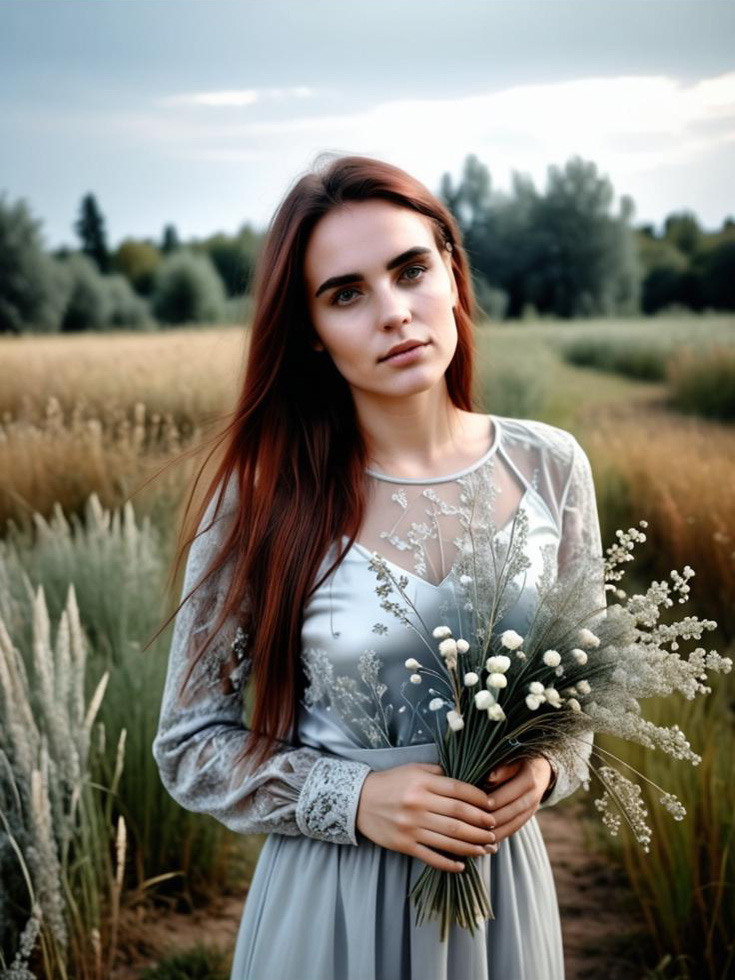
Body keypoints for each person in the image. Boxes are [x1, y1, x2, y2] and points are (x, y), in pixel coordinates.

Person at [152, 153, 604, 980]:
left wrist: (542, 769)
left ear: (453, 276)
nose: (393, 312)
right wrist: (353, 799)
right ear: (313, 335)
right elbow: (188, 746)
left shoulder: (550, 466)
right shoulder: (261, 500)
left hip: (501, 900)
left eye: (410, 270)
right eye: (347, 293)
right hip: (331, 906)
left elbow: (582, 703)